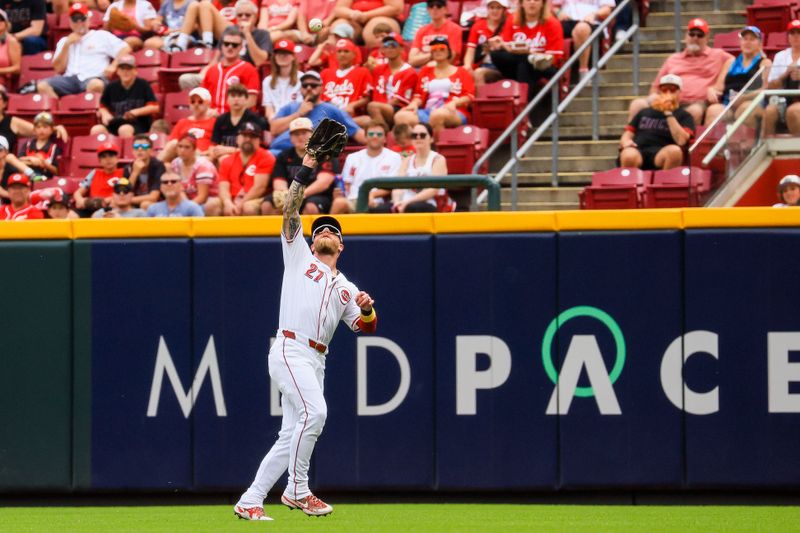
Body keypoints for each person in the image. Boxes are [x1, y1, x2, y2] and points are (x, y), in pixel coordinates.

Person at [233, 130, 377, 522]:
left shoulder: (347, 286)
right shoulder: (300, 256)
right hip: (290, 348)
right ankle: (298, 489)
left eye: (334, 230)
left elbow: (365, 330)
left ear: (341, 246)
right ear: (312, 242)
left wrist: (365, 311)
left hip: (316, 359)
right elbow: (291, 209)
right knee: (316, 414)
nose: (326, 232)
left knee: (290, 433)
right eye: (322, 230)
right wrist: (309, 163)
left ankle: (250, 498)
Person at [627, 18, 733, 126]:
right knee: (637, 104)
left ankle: (684, 141)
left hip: (698, 102)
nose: (695, 38)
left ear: (707, 38)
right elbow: (655, 87)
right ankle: (630, 140)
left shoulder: (717, 55)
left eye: (700, 35)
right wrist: (655, 97)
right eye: (692, 34)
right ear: (686, 36)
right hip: (670, 101)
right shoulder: (673, 59)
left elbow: (733, 60)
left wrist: (717, 87)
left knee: (693, 112)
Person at [32, 3, 132, 98]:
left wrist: (113, 65)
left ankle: (92, 113)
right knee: (42, 86)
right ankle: (61, 110)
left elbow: (125, 48)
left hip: (94, 77)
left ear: (88, 19)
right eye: (75, 19)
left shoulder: (101, 35)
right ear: (70, 22)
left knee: (96, 85)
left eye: (82, 18)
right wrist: (67, 45)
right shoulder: (64, 41)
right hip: (70, 79)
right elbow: (58, 69)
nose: (79, 22)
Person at [488, 0, 564, 122]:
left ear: (543, 4)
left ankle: (523, 112)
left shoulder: (552, 23)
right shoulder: (513, 20)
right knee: (497, 54)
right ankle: (524, 114)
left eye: (536, 0)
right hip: (517, 62)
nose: (532, 3)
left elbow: (554, 58)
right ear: (522, 3)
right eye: (528, 0)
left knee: (524, 64)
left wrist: (530, 54)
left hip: (543, 65)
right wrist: (504, 46)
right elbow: (507, 46)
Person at [269, 70, 366, 153]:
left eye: (314, 85)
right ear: (301, 88)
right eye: (305, 85)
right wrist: (299, 114)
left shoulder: (332, 110)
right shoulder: (290, 107)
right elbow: (274, 129)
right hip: (279, 153)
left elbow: (356, 132)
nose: (309, 88)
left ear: (321, 88)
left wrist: (375, 139)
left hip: (309, 157)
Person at [394, 36, 475, 134]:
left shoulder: (462, 71)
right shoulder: (425, 71)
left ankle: (437, 148)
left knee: (437, 115)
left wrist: (454, 103)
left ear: (448, 51)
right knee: (400, 116)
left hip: (454, 111)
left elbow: (469, 96)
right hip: (428, 110)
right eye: (434, 49)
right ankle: (412, 147)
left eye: (442, 48)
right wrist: (414, 104)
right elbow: (418, 95)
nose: (438, 51)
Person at [262, 117, 338, 215]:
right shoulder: (284, 156)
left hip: (318, 195)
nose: (300, 137)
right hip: (290, 195)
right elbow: (279, 182)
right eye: (296, 134)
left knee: (311, 207)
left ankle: (310, 230)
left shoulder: (325, 154)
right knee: (267, 204)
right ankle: (276, 230)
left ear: (313, 134)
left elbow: (323, 183)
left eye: (304, 133)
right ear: (290, 137)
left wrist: (299, 195)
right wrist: (285, 195)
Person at [619, 74, 694, 171]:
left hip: (662, 151)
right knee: (628, 154)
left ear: (679, 92)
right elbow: (627, 134)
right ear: (659, 92)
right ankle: (630, 185)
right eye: (664, 89)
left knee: (675, 152)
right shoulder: (644, 112)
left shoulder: (684, 116)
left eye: (672, 90)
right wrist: (626, 142)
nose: (668, 93)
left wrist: (668, 113)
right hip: (639, 149)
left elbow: (681, 141)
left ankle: (664, 183)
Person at [704, 26, 770, 128]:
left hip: (752, 102)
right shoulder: (730, 62)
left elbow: (766, 89)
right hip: (729, 104)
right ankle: (712, 143)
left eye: (752, 39)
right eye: (745, 39)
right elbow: (718, 87)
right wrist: (711, 90)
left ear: (760, 44)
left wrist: (743, 98)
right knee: (713, 110)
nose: (748, 42)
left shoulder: (765, 62)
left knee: (744, 109)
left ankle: (747, 143)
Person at [205, 121, 275, 215]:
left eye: (252, 136)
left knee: (248, 208)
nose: (248, 139)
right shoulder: (227, 160)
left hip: (256, 199)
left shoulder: (266, 157)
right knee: (211, 205)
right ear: (237, 138)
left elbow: (260, 188)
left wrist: (240, 204)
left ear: (259, 140)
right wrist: (227, 203)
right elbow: (223, 187)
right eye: (244, 135)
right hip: (232, 199)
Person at [375, 121, 447, 212]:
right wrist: (397, 203)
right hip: (405, 201)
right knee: (379, 210)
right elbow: (397, 186)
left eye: (422, 135)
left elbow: (433, 190)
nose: (418, 138)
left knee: (413, 208)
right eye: (414, 135)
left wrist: (408, 202)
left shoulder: (438, 159)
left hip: (429, 202)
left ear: (431, 138)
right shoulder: (407, 160)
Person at [331, 119, 400, 213]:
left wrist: (372, 195)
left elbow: (393, 186)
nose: (375, 137)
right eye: (371, 134)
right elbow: (346, 184)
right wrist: (339, 193)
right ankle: (328, 227)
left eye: (379, 134)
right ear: (366, 137)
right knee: (339, 202)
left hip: (380, 201)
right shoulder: (352, 157)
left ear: (385, 138)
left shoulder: (394, 157)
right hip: (354, 199)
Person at [94, 54, 160, 137]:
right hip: (115, 123)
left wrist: (136, 112)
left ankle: (127, 150)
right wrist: (105, 114)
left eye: (129, 69)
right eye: (122, 69)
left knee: (124, 129)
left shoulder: (143, 84)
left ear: (135, 71)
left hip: (139, 124)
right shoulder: (111, 86)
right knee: (97, 129)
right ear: (117, 71)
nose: (125, 72)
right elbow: (102, 106)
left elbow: (154, 107)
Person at [201, 25, 261, 113]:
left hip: (236, 119)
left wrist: (227, 116)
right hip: (211, 117)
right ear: (221, 46)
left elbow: (251, 101)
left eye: (234, 45)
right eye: (226, 44)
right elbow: (202, 98)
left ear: (241, 47)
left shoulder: (249, 69)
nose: (230, 47)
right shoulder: (211, 70)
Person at [554, 0, 613, 80]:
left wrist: (594, 14)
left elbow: (607, 10)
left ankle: (583, 72)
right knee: (552, 28)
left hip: (593, 22)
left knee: (581, 28)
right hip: (567, 21)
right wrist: (559, 13)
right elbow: (554, 7)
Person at [367, 32, 417, 127]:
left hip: (398, 109)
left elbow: (398, 100)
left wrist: (379, 106)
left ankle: (382, 134)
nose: (389, 48)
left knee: (373, 106)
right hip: (377, 110)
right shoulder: (378, 70)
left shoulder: (409, 71)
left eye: (393, 45)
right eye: (386, 45)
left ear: (401, 48)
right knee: (362, 121)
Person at [210, 82, 269, 161]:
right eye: (233, 96)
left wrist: (231, 150)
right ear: (227, 100)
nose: (236, 99)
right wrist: (213, 153)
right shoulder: (221, 119)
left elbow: (258, 148)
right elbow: (213, 144)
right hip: (223, 157)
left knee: (224, 159)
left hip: (249, 157)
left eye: (240, 96)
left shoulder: (254, 119)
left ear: (246, 99)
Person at [320, 38, 372, 125]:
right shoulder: (325, 73)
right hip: (328, 115)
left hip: (351, 116)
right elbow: (319, 99)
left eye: (346, 51)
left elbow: (366, 98)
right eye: (339, 51)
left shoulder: (362, 72)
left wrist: (352, 105)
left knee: (367, 120)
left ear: (354, 54)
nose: (342, 54)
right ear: (335, 55)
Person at [159, 87, 217, 162]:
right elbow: (171, 143)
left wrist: (202, 153)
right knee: (173, 143)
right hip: (182, 154)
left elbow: (215, 147)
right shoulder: (183, 122)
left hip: (203, 156)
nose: (196, 105)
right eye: (192, 102)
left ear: (208, 104)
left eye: (200, 102)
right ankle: (155, 167)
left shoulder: (214, 123)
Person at [764, 20, 800, 136]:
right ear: (788, 36)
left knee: (793, 111)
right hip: (783, 100)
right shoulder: (780, 56)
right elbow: (770, 87)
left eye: (799, 33)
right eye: (792, 33)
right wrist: (785, 74)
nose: (795, 36)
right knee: (769, 111)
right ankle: (769, 150)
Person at [463, 0, 511, 86]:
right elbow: (470, 50)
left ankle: (481, 99)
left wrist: (501, 46)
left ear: (504, 10)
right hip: (483, 64)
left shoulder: (510, 25)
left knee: (479, 73)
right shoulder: (478, 25)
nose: (494, 11)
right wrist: (467, 66)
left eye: (498, 8)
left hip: (503, 66)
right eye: (492, 7)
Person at [73, 140, 126, 214]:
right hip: (91, 206)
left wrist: (111, 199)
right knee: (72, 215)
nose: (108, 159)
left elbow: (127, 193)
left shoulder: (124, 172)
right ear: (99, 161)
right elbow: (78, 192)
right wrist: (79, 200)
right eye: (104, 157)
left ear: (117, 158)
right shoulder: (94, 172)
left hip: (111, 207)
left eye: (111, 155)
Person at [409, 0, 463, 68]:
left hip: (447, 70)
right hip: (422, 69)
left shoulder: (455, 29)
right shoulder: (421, 30)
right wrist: (434, 54)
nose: (434, 9)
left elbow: (451, 57)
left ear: (446, 9)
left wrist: (423, 57)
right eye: (431, 6)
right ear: (428, 10)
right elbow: (412, 60)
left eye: (439, 6)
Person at [170, 133, 218, 206]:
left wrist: (187, 209)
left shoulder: (203, 166)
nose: (182, 150)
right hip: (188, 202)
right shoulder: (175, 164)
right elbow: (179, 190)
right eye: (180, 146)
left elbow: (202, 197)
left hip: (206, 202)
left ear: (194, 149)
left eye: (187, 147)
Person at [329, 0, 401, 47]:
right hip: (355, 19)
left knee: (377, 29)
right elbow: (339, 9)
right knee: (340, 27)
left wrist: (366, 15)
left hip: (381, 17)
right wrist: (352, 14)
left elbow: (395, 8)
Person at [262, 39, 303, 121]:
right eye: (279, 53)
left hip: (296, 121)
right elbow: (269, 110)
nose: (282, 56)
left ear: (293, 57)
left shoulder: (302, 78)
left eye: (286, 53)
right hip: (276, 122)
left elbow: (302, 108)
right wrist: (275, 122)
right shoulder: (267, 81)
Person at [124, 133, 166, 208]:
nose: (140, 149)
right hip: (133, 205)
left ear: (151, 150)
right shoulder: (128, 168)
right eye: (136, 147)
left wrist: (127, 200)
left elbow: (154, 197)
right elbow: (124, 192)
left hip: (155, 204)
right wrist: (135, 173)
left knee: (145, 204)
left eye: (144, 146)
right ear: (132, 151)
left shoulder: (158, 166)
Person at [18, 112, 62, 179]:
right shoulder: (28, 144)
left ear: (52, 130)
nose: (41, 130)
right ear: (34, 130)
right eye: (38, 127)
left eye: (45, 127)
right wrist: (31, 160)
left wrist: (44, 163)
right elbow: (19, 160)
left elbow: (56, 171)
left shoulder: (54, 148)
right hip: (26, 176)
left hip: (45, 178)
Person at [0, 9, 20, 88]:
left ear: (6, 23)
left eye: (1, 20)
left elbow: (17, 68)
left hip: (3, 81)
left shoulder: (11, 41)